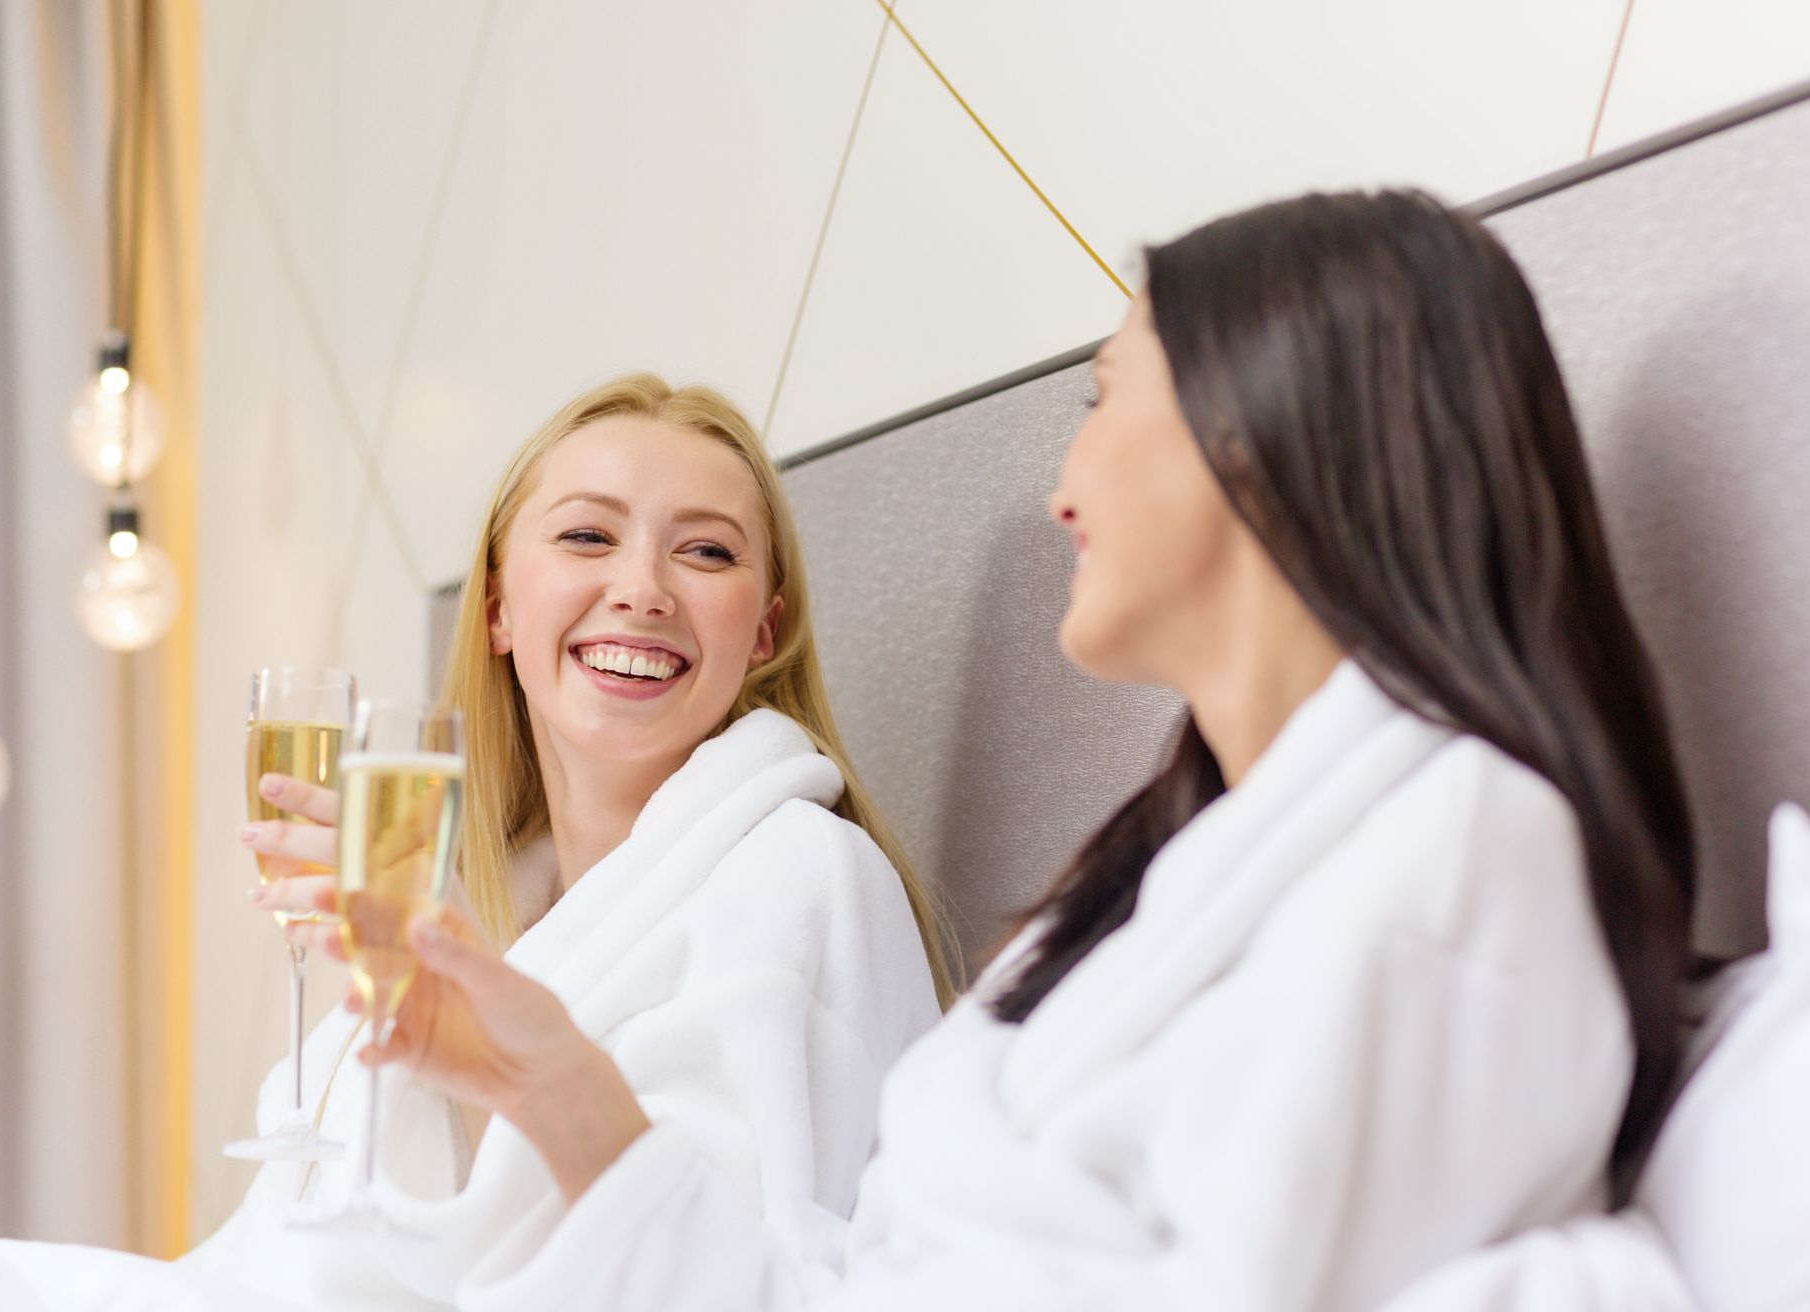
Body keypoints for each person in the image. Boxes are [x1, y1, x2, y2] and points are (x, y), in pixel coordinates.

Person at [358, 189, 1701, 1312]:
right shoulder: (1176, 882)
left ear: (1272, 435)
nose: (1064, 484)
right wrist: (561, 1090)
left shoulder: (1461, 865)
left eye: (1106, 399)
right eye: (583, 538)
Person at [0, 374, 951, 1310]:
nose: (641, 587)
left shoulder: (805, 875)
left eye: (706, 551)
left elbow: (728, 1275)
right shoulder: (487, 902)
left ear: (760, 633)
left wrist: (500, 1060)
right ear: (496, 607)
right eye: (588, 535)